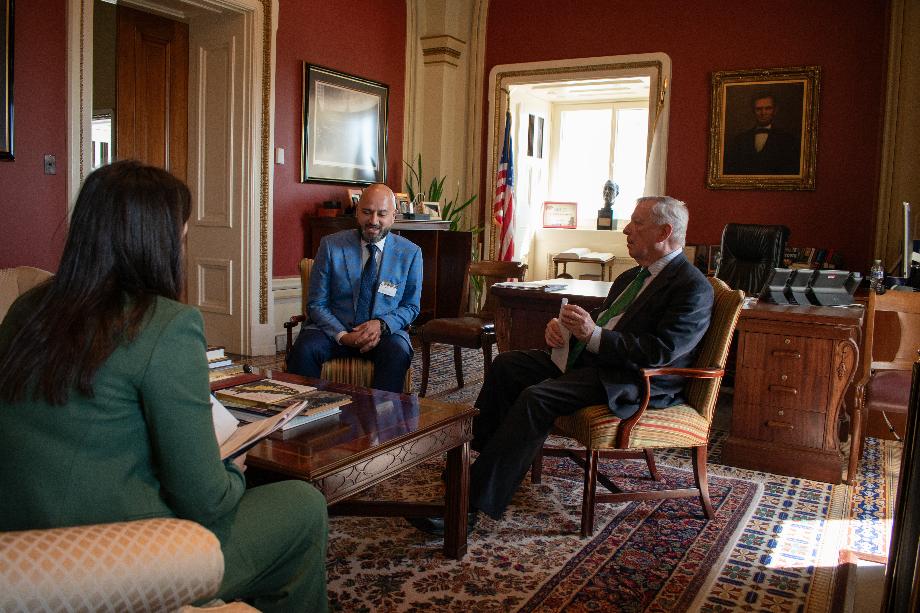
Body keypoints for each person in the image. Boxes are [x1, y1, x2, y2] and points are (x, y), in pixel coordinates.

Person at [0, 161, 328, 612]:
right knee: (303, 505)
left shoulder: (28, 307)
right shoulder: (166, 324)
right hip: (115, 559)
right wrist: (233, 465)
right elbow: (205, 501)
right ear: (156, 241)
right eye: (183, 235)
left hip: (20, 552)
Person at [409, 196, 713, 534]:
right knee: (507, 365)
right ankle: (478, 462)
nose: (627, 229)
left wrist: (592, 334)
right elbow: (604, 323)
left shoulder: (692, 287)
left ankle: (468, 508)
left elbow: (660, 351)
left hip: (634, 381)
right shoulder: (631, 277)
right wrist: (566, 329)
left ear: (664, 231)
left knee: (536, 397)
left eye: (637, 223)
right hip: (596, 363)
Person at [286, 183, 422, 393]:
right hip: (332, 331)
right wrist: (343, 335)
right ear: (357, 212)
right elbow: (316, 304)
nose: (373, 221)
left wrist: (381, 324)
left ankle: (381, 419)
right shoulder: (331, 246)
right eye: (367, 212)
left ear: (394, 216)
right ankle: (307, 415)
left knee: (398, 352)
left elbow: (411, 306)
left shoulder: (410, 253)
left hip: (383, 334)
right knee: (304, 349)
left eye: (381, 214)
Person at [723, 92, 800, 175]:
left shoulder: (788, 140)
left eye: (768, 108)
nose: (763, 113)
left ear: (775, 110)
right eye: (758, 109)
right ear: (753, 111)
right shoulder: (740, 140)